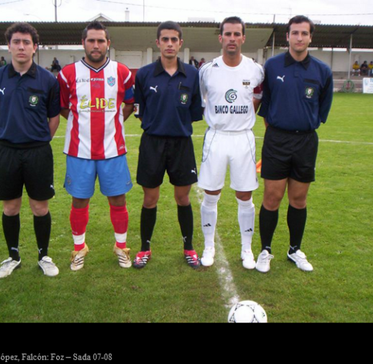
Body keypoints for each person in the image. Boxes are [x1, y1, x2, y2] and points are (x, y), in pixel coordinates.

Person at [0, 22, 61, 279]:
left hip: (38, 152)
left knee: (40, 207)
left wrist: (37, 140)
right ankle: (13, 256)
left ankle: (43, 255)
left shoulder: (48, 79)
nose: (21, 46)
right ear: (9, 45)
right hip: (7, 152)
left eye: (26, 42)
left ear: (35, 47)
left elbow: (54, 118)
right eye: (16, 42)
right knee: (10, 207)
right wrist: (12, 135)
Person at [257, 15, 333, 273]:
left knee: (298, 199)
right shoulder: (273, 66)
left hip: (305, 142)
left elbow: (322, 111)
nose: (299, 37)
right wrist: (278, 131)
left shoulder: (322, 71)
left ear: (311, 37)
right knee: (272, 197)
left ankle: (294, 250)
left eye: (304, 33)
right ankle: (265, 250)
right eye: (294, 33)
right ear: (287, 36)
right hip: (276, 140)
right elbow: (266, 107)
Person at [57, 21, 135, 270]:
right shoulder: (67, 74)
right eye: (91, 40)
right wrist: (83, 124)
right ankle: (79, 248)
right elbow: (62, 107)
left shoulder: (122, 72)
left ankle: (121, 247)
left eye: (101, 40)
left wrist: (113, 125)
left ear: (108, 44)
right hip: (79, 151)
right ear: (83, 43)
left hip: (113, 150)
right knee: (79, 200)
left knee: (118, 199)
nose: (96, 45)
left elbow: (130, 104)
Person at [133, 21, 203, 269]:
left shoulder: (193, 75)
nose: (170, 44)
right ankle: (144, 249)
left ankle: (189, 247)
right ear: (158, 43)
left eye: (174, 39)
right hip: (152, 143)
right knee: (150, 198)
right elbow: (139, 111)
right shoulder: (144, 74)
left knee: (182, 197)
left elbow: (195, 112)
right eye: (165, 39)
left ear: (180, 43)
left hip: (181, 144)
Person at [197, 16, 264, 268]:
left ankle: (247, 250)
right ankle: (208, 246)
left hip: (242, 138)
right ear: (221, 38)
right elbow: (203, 101)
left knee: (244, 195)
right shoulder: (207, 70)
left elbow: (257, 97)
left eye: (237, 34)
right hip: (216, 136)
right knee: (211, 194)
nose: (232, 39)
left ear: (243, 38)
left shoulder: (255, 70)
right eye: (228, 34)